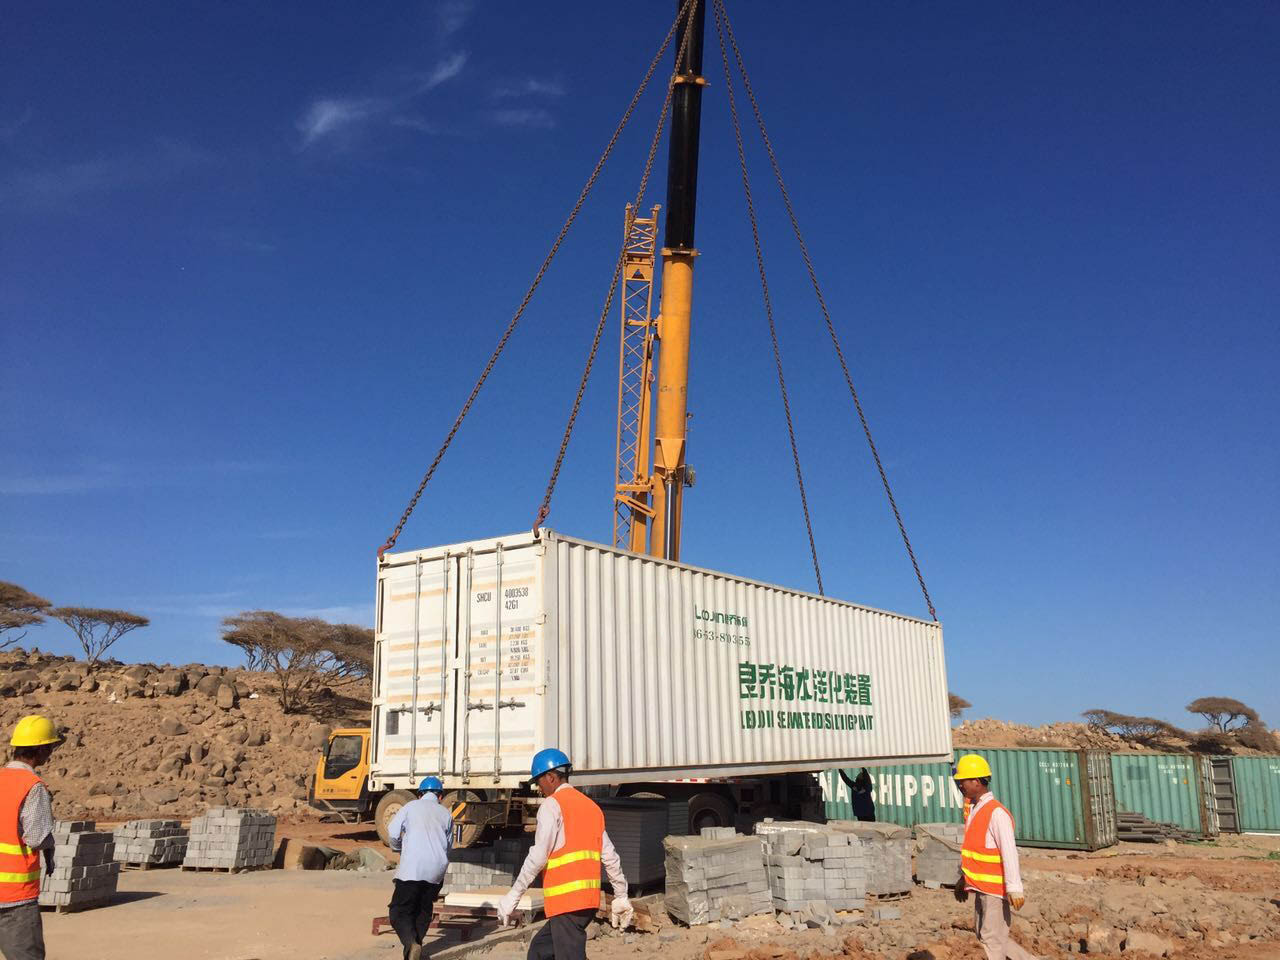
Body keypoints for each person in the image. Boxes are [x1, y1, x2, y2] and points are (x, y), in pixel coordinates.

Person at [497, 749, 631, 960]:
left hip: (567, 903)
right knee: (540, 950)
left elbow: (538, 857)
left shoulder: (552, 805)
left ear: (550, 777)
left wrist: (513, 896)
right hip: (586, 903)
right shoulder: (591, 807)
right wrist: (621, 895)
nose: (539, 788)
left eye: (539, 782)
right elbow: (610, 856)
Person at [952, 753, 1038, 960]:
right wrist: (963, 880)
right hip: (981, 888)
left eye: (963, 781)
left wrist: (1014, 888)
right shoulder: (975, 809)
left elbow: (1009, 852)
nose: (960, 785)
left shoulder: (996, 813)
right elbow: (976, 852)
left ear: (977, 781)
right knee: (989, 936)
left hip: (995, 892)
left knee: (990, 940)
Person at [0, 715, 63, 960]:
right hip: (14, 899)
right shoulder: (32, 786)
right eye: (50, 748)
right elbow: (36, 837)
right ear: (40, 750)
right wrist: (50, 844)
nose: (50, 754)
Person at [386, 776, 453, 960]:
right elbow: (448, 846)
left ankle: (411, 943)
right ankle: (413, 951)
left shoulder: (410, 807)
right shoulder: (446, 814)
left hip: (412, 869)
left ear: (419, 794)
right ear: (440, 796)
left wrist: (398, 848)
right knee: (423, 911)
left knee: (399, 911)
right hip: (436, 871)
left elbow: (393, 832)